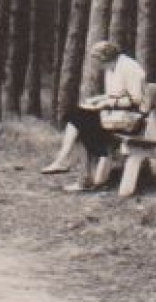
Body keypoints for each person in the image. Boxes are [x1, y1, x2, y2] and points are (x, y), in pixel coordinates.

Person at [42, 40, 147, 191]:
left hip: (134, 119)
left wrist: (106, 104)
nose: (97, 65)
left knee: (81, 120)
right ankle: (81, 170)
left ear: (106, 57)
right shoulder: (112, 68)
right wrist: (100, 99)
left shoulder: (130, 68)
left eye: (98, 61)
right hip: (117, 115)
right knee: (79, 118)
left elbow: (136, 100)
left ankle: (70, 166)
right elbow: (115, 94)